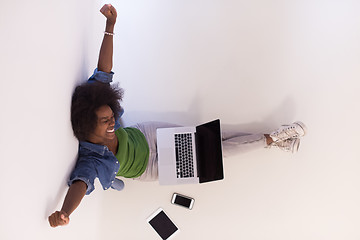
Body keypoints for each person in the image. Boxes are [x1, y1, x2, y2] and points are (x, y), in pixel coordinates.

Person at [48, 4, 307, 228]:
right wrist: (64, 213)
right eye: (105, 121)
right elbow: (80, 184)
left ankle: (275, 140)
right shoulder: (90, 159)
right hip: (152, 168)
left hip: (149, 135)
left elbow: (104, 70)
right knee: (218, 155)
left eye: (110, 115)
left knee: (214, 135)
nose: (112, 121)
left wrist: (110, 24)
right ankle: (274, 139)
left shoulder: (96, 104)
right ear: (89, 127)